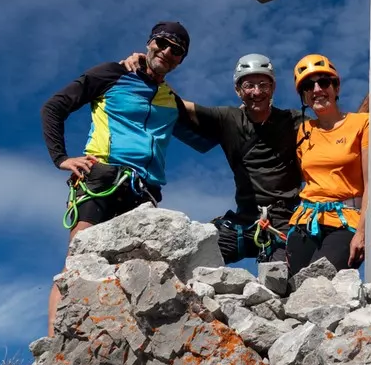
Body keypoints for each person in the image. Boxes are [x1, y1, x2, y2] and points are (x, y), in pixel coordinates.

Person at [41, 21, 203, 337]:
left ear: (181, 60)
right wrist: (61, 158)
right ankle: (54, 348)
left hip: (144, 192)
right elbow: (54, 107)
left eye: (177, 50)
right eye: (162, 43)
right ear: (149, 42)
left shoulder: (170, 99)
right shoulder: (113, 74)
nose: (167, 52)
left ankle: (120, 338)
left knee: (138, 273)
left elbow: (212, 127)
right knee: (78, 264)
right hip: (100, 179)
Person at [121, 52, 302, 264]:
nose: (257, 92)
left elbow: (332, 135)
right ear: (238, 90)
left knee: (280, 277)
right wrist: (150, 72)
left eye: (263, 84)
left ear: (273, 88)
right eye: (248, 86)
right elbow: (180, 105)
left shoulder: (295, 122)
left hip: (285, 221)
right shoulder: (228, 119)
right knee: (192, 255)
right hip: (245, 221)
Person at [286, 55, 368, 276]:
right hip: (305, 220)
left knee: (318, 282)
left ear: (336, 86)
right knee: (293, 289)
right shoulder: (303, 132)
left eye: (323, 82)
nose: (316, 89)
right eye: (307, 86)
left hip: (347, 220)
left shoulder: (361, 123)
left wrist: (362, 232)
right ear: (303, 95)